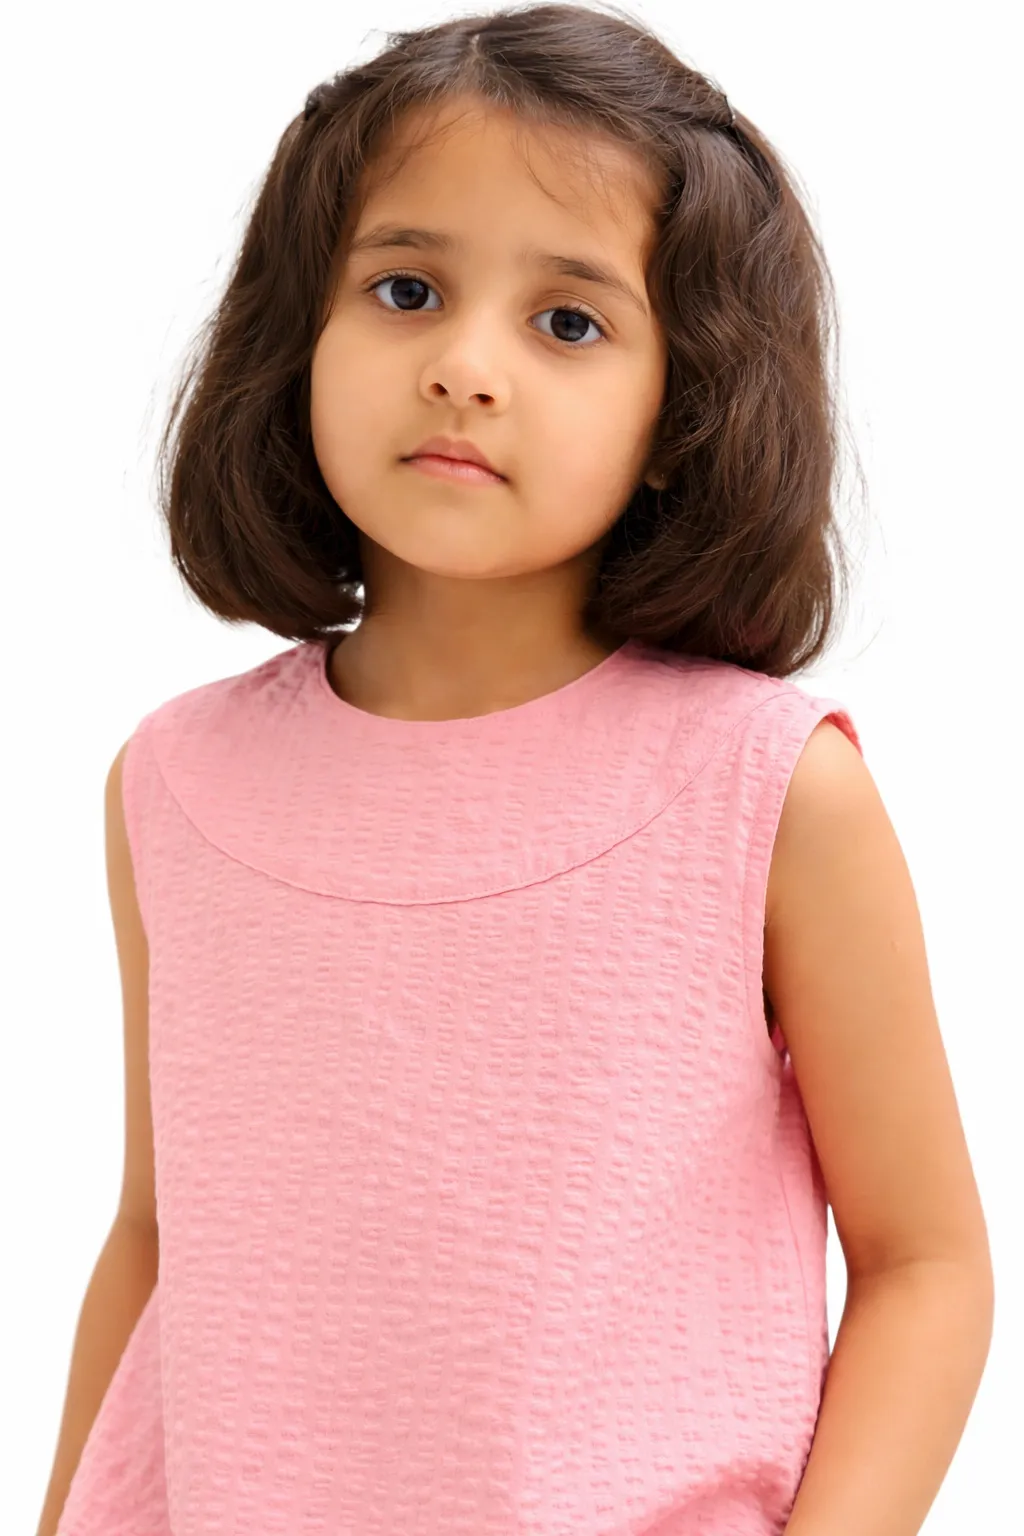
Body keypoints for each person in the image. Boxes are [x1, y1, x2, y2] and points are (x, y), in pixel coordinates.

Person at [38, 5, 994, 1535]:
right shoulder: (176, 781)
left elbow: (924, 1266)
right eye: (406, 290)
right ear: (298, 335)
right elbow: (158, 1240)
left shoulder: (769, 790)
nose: (465, 369)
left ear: (682, 409)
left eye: (569, 322)